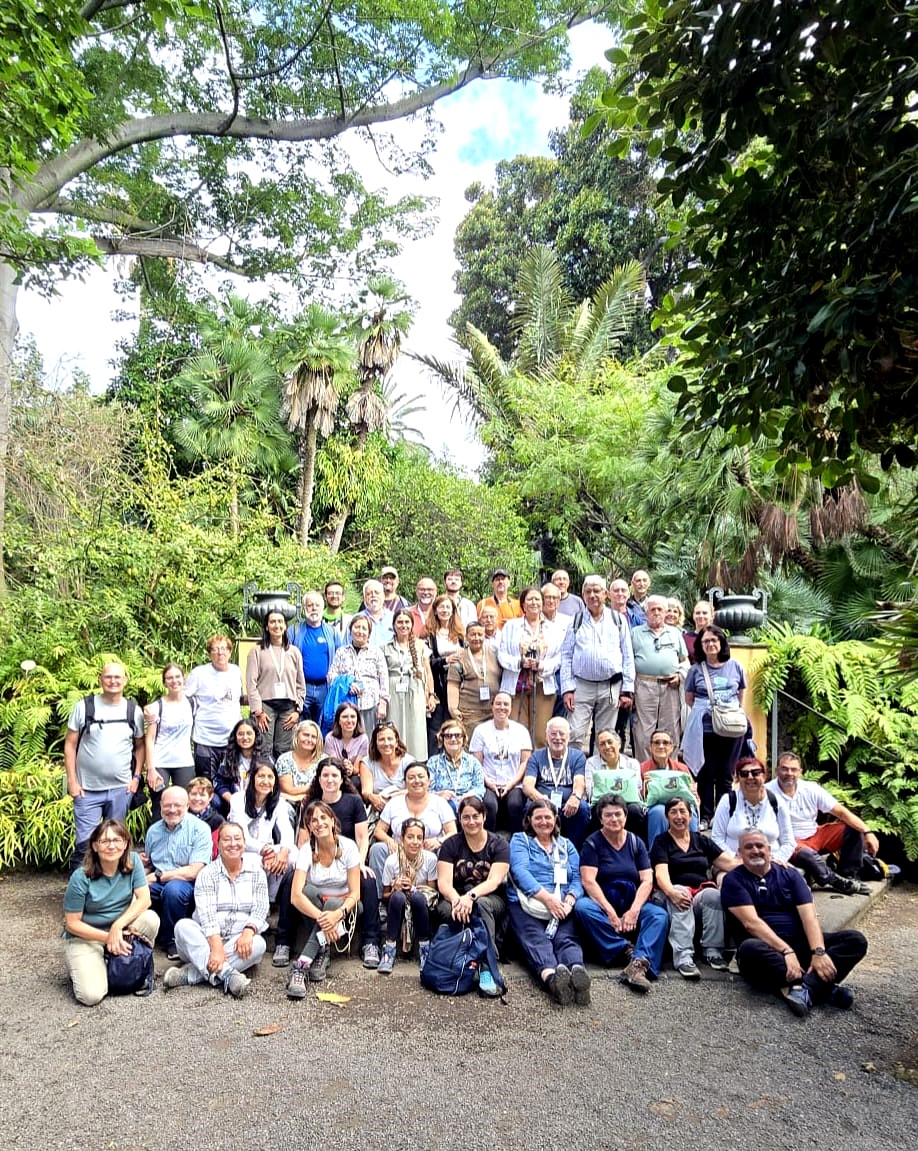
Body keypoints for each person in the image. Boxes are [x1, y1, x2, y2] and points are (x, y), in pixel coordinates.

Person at [722, 828, 869, 1017]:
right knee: (749, 949)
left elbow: (809, 917)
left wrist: (818, 952)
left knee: (855, 940)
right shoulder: (733, 880)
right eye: (748, 847)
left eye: (759, 846)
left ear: (769, 849)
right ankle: (824, 988)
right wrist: (786, 951)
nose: (755, 851)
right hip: (767, 951)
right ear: (740, 852)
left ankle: (803, 989)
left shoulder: (790, 875)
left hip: (800, 945)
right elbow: (752, 923)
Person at [163, 820, 269, 999]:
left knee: (259, 944)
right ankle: (228, 974)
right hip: (203, 941)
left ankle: (190, 975)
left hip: (237, 940)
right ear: (218, 844)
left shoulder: (257, 873)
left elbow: (261, 908)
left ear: (244, 843)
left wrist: (248, 932)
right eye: (227, 839)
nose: (233, 844)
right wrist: (216, 948)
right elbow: (207, 915)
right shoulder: (207, 873)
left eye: (237, 839)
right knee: (183, 927)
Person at [576, 794, 669, 992]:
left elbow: (647, 880)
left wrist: (634, 911)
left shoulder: (636, 842)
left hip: (631, 900)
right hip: (603, 901)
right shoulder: (592, 844)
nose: (614, 819)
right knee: (583, 908)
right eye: (608, 815)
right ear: (601, 819)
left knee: (658, 915)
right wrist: (610, 912)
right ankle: (625, 950)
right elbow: (588, 881)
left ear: (625, 816)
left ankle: (639, 964)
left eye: (618, 814)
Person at [295, 758, 382, 969]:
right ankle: (284, 941)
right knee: (294, 882)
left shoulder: (353, 801)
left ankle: (370, 942)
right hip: (319, 859)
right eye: (325, 775)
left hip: (348, 858)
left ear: (342, 778)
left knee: (368, 880)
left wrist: (360, 862)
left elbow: (362, 838)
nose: (330, 779)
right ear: (318, 779)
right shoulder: (311, 802)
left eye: (334, 775)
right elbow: (303, 840)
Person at [62, 819, 160, 1006]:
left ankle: (136, 962)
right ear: (95, 846)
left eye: (117, 840)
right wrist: (108, 938)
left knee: (150, 919)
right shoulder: (81, 877)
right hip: (87, 937)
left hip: (121, 930)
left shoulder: (133, 862)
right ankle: (95, 963)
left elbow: (144, 899)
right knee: (91, 995)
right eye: (105, 841)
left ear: (125, 844)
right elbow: (72, 924)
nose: (111, 846)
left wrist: (117, 926)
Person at [64, 660, 146, 871]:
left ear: (125, 681)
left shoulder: (133, 711)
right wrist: (72, 781)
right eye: (108, 677)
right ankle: (79, 887)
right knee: (86, 844)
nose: (113, 681)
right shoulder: (84, 707)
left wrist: (136, 778)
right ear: (100, 680)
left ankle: (112, 885)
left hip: (121, 789)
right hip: (86, 789)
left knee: (115, 842)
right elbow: (70, 744)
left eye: (117, 677)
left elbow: (140, 745)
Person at [508, 797, 591, 1006]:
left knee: (566, 938)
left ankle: (577, 974)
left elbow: (577, 877)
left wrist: (570, 899)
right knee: (535, 939)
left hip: (562, 905)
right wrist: (547, 899)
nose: (543, 822)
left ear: (555, 819)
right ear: (529, 819)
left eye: (548, 817)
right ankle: (553, 979)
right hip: (528, 901)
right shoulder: (520, 840)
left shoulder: (566, 845)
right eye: (538, 818)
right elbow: (519, 871)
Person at [651, 797, 737, 978]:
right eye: (673, 812)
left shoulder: (700, 840)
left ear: (690, 816)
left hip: (699, 894)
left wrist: (760, 864)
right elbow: (661, 874)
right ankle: (683, 957)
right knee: (681, 894)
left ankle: (712, 951)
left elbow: (729, 863)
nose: (679, 816)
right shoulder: (661, 841)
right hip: (671, 894)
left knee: (713, 894)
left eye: (683, 811)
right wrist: (671, 892)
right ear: (667, 817)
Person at [767, 751, 875, 895]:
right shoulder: (767, 792)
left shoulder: (810, 788)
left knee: (853, 829)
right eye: (784, 769)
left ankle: (849, 876)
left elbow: (841, 812)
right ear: (776, 770)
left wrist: (868, 832)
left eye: (793, 769)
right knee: (806, 854)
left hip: (815, 835)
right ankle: (835, 881)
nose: (789, 773)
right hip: (789, 841)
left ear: (800, 772)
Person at [437, 795, 510, 996]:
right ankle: (457, 964)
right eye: (466, 817)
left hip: (490, 898)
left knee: (481, 906)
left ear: (484, 816)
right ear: (459, 819)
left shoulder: (499, 844)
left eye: (475, 816)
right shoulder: (451, 844)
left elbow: (494, 880)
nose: (471, 822)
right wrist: (457, 899)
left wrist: (470, 897)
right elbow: (444, 882)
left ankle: (486, 966)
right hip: (456, 897)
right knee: (446, 910)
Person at [287, 802, 362, 992]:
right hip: (318, 908)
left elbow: (355, 893)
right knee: (307, 891)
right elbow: (295, 896)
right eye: (314, 820)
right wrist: (325, 919)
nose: (319, 823)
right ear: (309, 827)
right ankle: (322, 950)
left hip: (346, 907)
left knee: (334, 903)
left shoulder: (349, 846)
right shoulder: (307, 850)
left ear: (332, 821)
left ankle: (301, 966)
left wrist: (337, 913)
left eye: (323, 818)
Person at [228, 761, 297, 964]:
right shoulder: (238, 799)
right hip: (244, 849)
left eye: (270, 777)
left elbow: (287, 833)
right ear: (252, 778)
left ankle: (270, 900)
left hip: (267, 851)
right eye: (261, 776)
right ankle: (259, 904)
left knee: (293, 856)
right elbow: (241, 834)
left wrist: (282, 853)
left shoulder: (279, 802)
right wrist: (265, 850)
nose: (265, 781)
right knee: (253, 862)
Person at [560, 574, 635, 753]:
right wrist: (567, 689)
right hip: (581, 686)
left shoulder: (618, 620)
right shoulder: (576, 621)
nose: (592, 595)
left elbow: (627, 655)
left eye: (596, 591)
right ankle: (574, 769)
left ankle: (599, 769)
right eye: (588, 592)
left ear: (605, 594)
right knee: (575, 733)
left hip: (610, 686)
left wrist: (627, 690)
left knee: (605, 736)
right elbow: (566, 655)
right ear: (583, 595)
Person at [683, 624, 749, 824]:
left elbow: (741, 694)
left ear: (721, 642)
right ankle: (706, 815)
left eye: (714, 640)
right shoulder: (695, 670)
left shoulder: (735, 666)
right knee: (706, 772)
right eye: (706, 641)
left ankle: (723, 816)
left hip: (732, 728)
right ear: (700, 645)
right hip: (705, 728)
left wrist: (725, 713)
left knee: (726, 774)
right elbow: (689, 698)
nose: (710, 644)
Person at [142, 786, 212, 959]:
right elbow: (149, 863)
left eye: (177, 805)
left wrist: (158, 877)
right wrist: (140, 877)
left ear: (187, 806)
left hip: (187, 881)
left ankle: (172, 940)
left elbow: (194, 871)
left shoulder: (200, 829)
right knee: (139, 889)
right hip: (158, 879)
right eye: (167, 805)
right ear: (160, 806)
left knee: (173, 890)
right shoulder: (153, 831)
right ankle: (144, 935)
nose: (172, 810)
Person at [369, 761, 457, 892]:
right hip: (399, 850)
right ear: (405, 782)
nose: (416, 781)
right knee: (377, 849)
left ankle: (440, 894)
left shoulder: (440, 803)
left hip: (429, 850)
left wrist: (438, 841)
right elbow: (378, 831)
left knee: (444, 850)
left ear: (429, 781)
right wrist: (389, 840)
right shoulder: (394, 803)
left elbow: (453, 832)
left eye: (421, 777)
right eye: (411, 777)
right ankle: (381, 896)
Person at [498, 585, 563, 745]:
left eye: (537, 599)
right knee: (516, 734)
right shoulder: (511, 626)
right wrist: (520, 662)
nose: (534, 603)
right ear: (523, 604)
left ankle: (538, 761)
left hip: (542, 686)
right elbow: (501, 655)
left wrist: (542, 665)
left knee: (540, 735)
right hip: (516, 685)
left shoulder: (553, 629)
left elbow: (559, 657)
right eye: (530, 599)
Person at [630, 595, 689, 761]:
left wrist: (680, 675)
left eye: (660, 609)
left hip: (670, 686)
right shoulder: (635, 633)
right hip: (644, 685)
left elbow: (685, 661)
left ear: (665, 612)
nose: (656, 613)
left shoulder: (675, 633)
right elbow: (627, 661)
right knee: (643, 731)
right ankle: (645, 769)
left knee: (671, 729)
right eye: (652, 610)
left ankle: (670, 768)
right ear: (646, 613)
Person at [379, 818, 438, 974]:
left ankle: (425, 949)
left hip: (421, 904)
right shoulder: (392, 861)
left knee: (417, 897)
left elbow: (432, 892)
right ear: (402, 838)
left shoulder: (430, 859)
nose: (415, 842)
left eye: (419, 838)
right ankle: (389, 948)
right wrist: (396, 888)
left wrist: (412, 888)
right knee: (398, 896)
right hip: (398, 905)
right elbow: (384, 895)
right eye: (410, 837)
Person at [246, 609, 306, 759]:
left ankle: (282, 775)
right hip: (265, 708)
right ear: (267, 626)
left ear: (285, 626)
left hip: (288, 708)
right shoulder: (257, 651)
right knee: (264, 749)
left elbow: (300, 683)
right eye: (272, 622)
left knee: (284, 750)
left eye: (280, 622)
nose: (276, 625)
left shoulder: (294, 652)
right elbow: (251, 683)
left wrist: (297, 710)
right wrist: (257, 711)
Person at [523, 717, 590, 847]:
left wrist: (576, 797)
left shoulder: (578, 756)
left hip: (567, 803)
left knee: (582, 808)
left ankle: (574, 848)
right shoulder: (536, 756)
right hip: (542, 800)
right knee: (529, 807)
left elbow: (579, 782)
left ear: (568, 736)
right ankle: (535, 847)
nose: (557, 738)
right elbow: (527, 785)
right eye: (553, 734)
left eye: (561, 734)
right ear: (547, 736)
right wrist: (540, 799)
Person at [470, 691, 532, 833]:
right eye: (498, 704)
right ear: (492, 706)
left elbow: (525, 762)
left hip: (514, 783)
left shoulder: (521, 731)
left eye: (506, 704)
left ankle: (517, 840)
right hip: (488, 782)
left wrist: (511, 784)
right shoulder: (480, 730)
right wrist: (489, 783)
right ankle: (488, 840)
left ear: (511, 708)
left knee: (516, 804)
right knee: (489, 804)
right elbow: (477, 763)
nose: (502, 707)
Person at [711, 757, 796, 861]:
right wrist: (735, 858)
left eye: (755, 773)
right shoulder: (728, 800)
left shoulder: (777, 802)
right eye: (744, 774)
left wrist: (776, 859)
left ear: (764, 776)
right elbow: (717, 838)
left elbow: (789, 842)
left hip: (771, 862)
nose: (750, 777)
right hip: (734, 863)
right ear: (738, 778)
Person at [184, 635, 243, 780]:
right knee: (205, 783)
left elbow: (241, 697)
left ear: (230, 652)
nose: (220, 653)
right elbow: (183, 698)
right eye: (215, 649)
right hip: (205, 739)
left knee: (231, 781)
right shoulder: (199, 673)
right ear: (209, 653)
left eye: (223, 649)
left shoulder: (236, 671)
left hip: (231, 739)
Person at [143, 663, 195, 822]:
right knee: (160, 806)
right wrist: (150, 769)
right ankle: (156, 838)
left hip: (184, 761)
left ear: (184, 678)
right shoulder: (156, 707)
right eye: (169, 678)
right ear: (164, 682)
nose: (174, 681)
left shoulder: (192, 703)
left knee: (185, 805)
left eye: (177, 677)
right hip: (160, 762)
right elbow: (150, 739)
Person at [383, 607, 436, 760]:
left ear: (412, 625)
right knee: (395, 725)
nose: (403, 625)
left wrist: (431, 695)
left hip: (415, 689)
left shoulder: (420, 646)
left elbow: (428, 672)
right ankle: (394, 759)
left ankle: (416, 761)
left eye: (407, 622)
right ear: (394, 625)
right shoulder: (385, 647)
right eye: (400, 622)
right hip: (393, 689)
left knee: (415, 728)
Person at [326, 614, 389, 736]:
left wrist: (383, 703)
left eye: (364, 628)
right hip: (346, 704)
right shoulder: (341, 652)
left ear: (369, 633)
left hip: (370, 704)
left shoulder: (376, 653)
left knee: (369, 737)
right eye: (357, 627)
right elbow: (331, 676)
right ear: (350, 630)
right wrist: (347, 684)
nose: (360, 631)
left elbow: (384, 679)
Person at [288, 590, 343, 725]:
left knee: (324, 724)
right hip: (302, 687)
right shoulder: (293, 631)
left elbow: (340, 659)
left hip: (324, 688)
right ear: (304, 608)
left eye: (317, 605)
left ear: (322, 607)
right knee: (301, 726)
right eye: (310, 605)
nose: (313, 608)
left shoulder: (332, 633)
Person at [641, 730, 701, 847]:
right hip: (655, 806)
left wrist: (692, 792)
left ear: (672, 747)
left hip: (680, 803)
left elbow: (696, 798)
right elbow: (638, 798)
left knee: (688, 811)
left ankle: (694, 849)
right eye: (657, 743)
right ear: (650, 747)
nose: (661, 746)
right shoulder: (642, 768)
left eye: (665, 743)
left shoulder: (682, 768)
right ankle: (655, 852)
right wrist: (645, 789)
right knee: (659, 812)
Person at [584, 729, 645, 840]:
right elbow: (590, 790)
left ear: (619, 744)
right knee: (600, 811)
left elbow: (637, 788)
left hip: (628, 803)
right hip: (602, 803)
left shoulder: (632, 763)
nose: (607, 747)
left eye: (610, 742)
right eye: (602, 744)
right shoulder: (591, 763)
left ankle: (634, 844)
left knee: (634, 811)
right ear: (598, 748)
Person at [425, 593, 466, 751]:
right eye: (441, 607)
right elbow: (426, 663)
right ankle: (434, 757)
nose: (445, 610)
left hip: (457, 683)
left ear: (453, 611)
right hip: (438, 683)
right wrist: (445, 660)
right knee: (436, 726)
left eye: (448, 607)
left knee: (454, 722)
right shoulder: (429, 634)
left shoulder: (460, 634)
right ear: (435, 610)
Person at [447, 619, 502, 733]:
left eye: (480, 634)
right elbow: (453, 685)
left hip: (493, 713)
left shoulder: (495, 654)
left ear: (484, 636)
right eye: (473, 635)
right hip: (470, 715)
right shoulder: (459, 658)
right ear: (466, 637)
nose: (476, 638)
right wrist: (453, 708)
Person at [428, 718, 486, 813]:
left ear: (463, 739)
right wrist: (439, 794)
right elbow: (427, 790)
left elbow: (480, 788)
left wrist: (470, 795)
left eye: (457, 735)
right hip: (442, 805)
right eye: (448, 736)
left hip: (468, 803)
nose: (453, 739)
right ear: (442, 739)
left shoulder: (473, 762)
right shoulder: (433, 763)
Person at [212, 718, 262, 814]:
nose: (245, 737)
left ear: (256, 735)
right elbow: (219, 783)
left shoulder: (265, 758)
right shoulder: (229, 757)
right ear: (235, 736)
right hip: (233, 800)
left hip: (257, 801)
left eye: (249, 733)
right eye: (240, 734)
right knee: (214, 799)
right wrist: (233, 801)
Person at [360, 721, 412, 814]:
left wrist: (391, 798)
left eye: (390, 739)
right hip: (379, 808)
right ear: (375, 743)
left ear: (396, 742)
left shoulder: (408, 761)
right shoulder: (367, 763)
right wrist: (373, 798)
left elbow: (412, 790)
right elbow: (366, 792)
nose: (386, 743)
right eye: (381, 739)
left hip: (405, 808)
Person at [274, 719, 324, 805]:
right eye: (306, 735)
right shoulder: (284, 759)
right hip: (288, 804)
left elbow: (326, 788)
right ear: (297, 735)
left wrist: (299, 797)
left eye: (314, 737)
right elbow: (288, 790)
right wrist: (315, 788)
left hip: (318, 804)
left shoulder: (323, 760)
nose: (309, 739)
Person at [323, 702, 369, 778]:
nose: (349, 720)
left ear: (357, 719)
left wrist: (350, 768)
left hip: (354, 775)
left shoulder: (363, 739)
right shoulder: (330, 738)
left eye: (353, 717)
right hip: (335, 774)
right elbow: (333, 764)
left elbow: (357, 769)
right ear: (338, 720)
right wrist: (344, 765)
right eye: (345, 717)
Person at [358, 578, 394, 648]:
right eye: (369, 594)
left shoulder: (393, 618)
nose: (373, 595)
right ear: (364, 598)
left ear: (383, 596)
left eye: (377, 593)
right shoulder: (356, 620)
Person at [683, 600, 714, 665]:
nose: (701, 616)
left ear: (712, 616)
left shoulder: (717, 637)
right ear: (693, 616)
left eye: (704, 613)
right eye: (697, 613)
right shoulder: (685, 638)